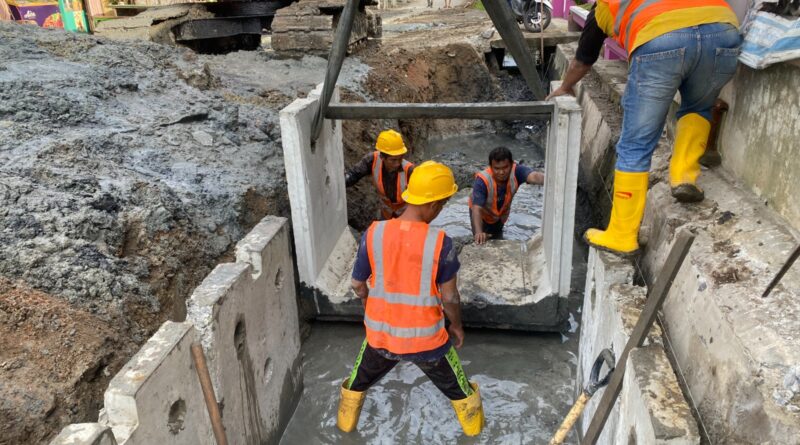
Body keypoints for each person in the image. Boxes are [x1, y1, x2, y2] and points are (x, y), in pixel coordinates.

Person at [548, 0, 741, 256]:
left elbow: (583, 60)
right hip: (723, 34)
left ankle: (622, 234)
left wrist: (565, 87)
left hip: (661, 39)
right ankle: (684, 177)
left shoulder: (605, 6)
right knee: (698, 107)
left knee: (636, 142)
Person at [337, 161, 485, 437]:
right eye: (442, 205)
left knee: (355, 385)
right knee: (461, 391)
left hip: (381, 338)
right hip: (427, 342)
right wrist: (456, 326)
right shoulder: (440, 242)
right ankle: (475, 434)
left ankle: (344, 431)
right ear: (433, 204)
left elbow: (358, 284)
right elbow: (450, 296)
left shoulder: (374, 233)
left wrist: (369, 307)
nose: (440, 210)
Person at [469, 146, 545, 245]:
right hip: (481, 215)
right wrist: (479, 232)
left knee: (497, 236)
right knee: (480, 239)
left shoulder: (517, 171)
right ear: (491, 167)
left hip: (500, 215)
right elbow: (477, 209)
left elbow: (534, 176)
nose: (501, 172)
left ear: (511, 164)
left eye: (505, 167)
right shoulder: (482, 181)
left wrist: (550, 179)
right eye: (497, 168)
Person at [345, 129, 415, 220]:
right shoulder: (371, 161)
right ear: (382, 157)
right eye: (393, 160)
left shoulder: (409, 170)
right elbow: (353, 175)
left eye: (400, 158)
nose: (397, 163)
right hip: (386, 213)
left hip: (406, 216)